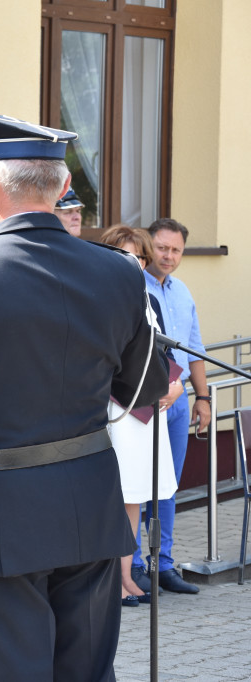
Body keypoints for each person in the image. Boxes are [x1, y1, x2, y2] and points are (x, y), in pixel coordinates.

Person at [0, 115, 168, 681]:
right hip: (91, 507)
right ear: (59, 189)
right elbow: (147, 387)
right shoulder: (120, 273)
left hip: (2, 518)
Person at [100, 225, 183, 606]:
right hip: (117, 411)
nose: (133, 263)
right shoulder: (98, 298)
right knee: (113, 497)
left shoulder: (147, 299)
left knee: (134, 497)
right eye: (124, 255)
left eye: (138, 257)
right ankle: (108, 582)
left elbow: (162, 355)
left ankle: (126, 576)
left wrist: (176, 384)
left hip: (147, 415)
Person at [132, 217, 210, 596]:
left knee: (167, 486)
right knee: (137, 485)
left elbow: (195, 350)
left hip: (178, 405)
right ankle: (131, 567)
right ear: (149, 247)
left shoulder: (182, 291)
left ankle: (162, 564)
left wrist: (204, 398)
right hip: (145, 403)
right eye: (162, 247)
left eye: (176, 250)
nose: (168, 255)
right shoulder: (133, 285)